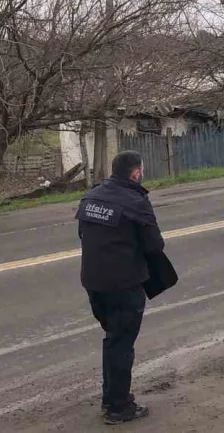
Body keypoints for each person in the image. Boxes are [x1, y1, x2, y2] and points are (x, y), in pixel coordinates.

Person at [76, 151, 165, 424]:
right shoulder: (136, 201)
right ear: (135, 173)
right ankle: (118, 407)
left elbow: (82, 233)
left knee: (113, 339)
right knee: (121, 343)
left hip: (93, 282)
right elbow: (154, 245)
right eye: (142, 170)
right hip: (123, 284)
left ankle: (111, 398)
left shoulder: (92, 196)